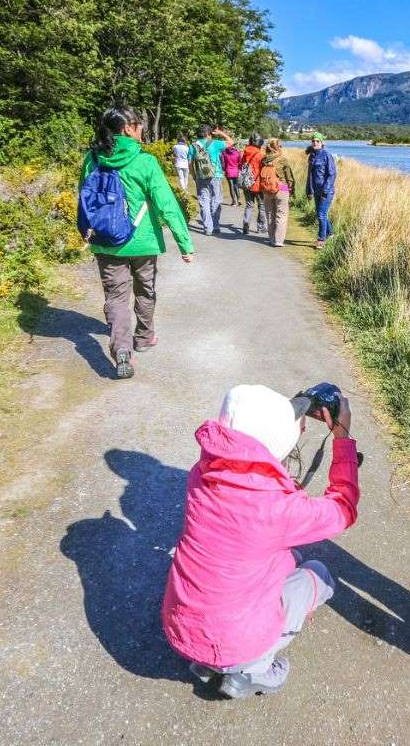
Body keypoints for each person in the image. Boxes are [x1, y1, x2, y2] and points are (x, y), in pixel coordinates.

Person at [162, 384, 360, 699]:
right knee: (318, 573)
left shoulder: (202, 474)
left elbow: (254, 492)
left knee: (286, 557)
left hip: (182, 629)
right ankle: (254, 670)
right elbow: (343, 509)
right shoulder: (279, 510)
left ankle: (211, 662)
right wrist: (342, 438)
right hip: (235, 643)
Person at [79, 107, 195, 380]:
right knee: (146, 289)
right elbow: (167, 204)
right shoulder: (145, 162)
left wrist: (86, 232)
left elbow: (85, 200)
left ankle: (121, 349)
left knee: (116, 297)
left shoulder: (92, 158)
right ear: (128, 129)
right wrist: (185, 245)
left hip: (106, 241)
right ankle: (143, 337)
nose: (142, 129)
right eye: (139, 125)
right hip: (143, 242)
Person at [189, 125, 231, 235]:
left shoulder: (193, 146)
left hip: (200, 177)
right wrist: (221, 133)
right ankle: (216, 225)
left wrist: (194, 176)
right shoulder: (215, 143)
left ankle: (208, 228)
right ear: (208, 134)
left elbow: (190, 164)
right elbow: (231, 142)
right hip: (215, 175)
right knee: (216, 200)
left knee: (204, 201)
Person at [259, 139, 295, 247]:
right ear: (277, 147)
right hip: (282, 186)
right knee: (281, 213)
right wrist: (291, 189)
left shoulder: (264, 160)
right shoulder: (282, 159)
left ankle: (271, 238)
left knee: (270, 214)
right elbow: (289, 178)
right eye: (281, 146)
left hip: (267, 188)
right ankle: (278, 240)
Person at [305, 132, 336, 249]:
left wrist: (325, 190)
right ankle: (331, 233)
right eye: (313, 141)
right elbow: (310, 176)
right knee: (321, 214)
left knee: (321, 214)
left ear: (322, 143)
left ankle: (321, 240)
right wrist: (309, 191)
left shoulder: (327, 155)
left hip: (326, 192)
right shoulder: (312, 156)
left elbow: (332, 174)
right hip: (316, 191)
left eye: (317, 141)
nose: (315, 143)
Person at [241, 134, 266, 235]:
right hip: (258, 183)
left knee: (249, 205)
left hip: (246, 183)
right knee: (261, 205)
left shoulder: (245, 152)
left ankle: (245, 226)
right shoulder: (260, 154)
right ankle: (260, 227)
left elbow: (241, 165)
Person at [222, 141, 242, 206]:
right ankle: (238, 200)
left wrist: (224, 169)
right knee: (236, 186)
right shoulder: (237, 153)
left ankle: (234, 201)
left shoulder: (224, 153)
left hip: (228, 171)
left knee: (231, 186)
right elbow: (240, 162)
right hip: (236, 171)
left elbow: (223, 163)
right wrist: (238, 168)